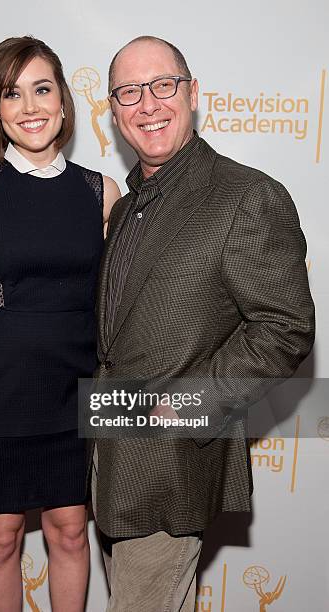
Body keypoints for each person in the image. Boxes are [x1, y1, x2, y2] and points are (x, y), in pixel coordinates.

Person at [89, 35, 315, 612]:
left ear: (192, 94)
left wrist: (191, 403)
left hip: (172, 461)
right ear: (114, 111)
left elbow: (284, 325)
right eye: (129, 93)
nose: (148, 104)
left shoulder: (245, 196)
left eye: (162, 86)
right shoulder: (125, 205)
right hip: (111, 464)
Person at [0, 35, 120, 612]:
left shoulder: (102, 193)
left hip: (75, 394)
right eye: (11, 95)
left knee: (69, 531)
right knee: (1, 538)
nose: (30, 107)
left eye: (42, 89)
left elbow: (115, 308)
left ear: (64, 102)